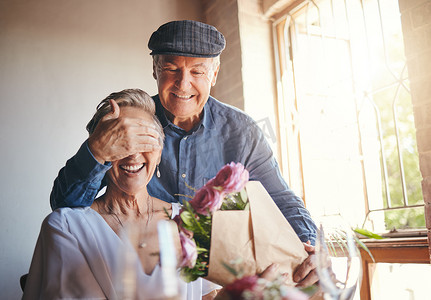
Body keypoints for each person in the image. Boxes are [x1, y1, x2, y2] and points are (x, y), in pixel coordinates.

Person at [49, 20, 318, 287]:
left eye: (197, 72)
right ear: (155, 70)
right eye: (171, 68)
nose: (183, 84)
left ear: (214, 73)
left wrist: (312, 248)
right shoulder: (131, 119)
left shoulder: (242, 131)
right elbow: (66, 209)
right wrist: (96, 151)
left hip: (216, 282)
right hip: (133, 277)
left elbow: (280, 199)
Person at [23, 89, 220, 299]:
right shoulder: (66, 226)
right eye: (120, 140)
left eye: (143, 138)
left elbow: (210, 295)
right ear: (101, 151)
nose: (133, 153)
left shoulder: (193, 223)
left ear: (160, 150)